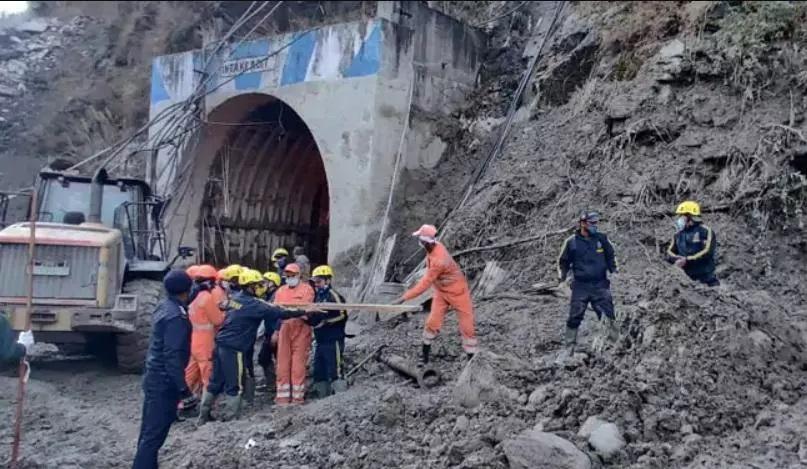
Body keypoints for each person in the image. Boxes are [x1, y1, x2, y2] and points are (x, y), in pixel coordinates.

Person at [198, 269, 316, 423]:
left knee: (215, 381)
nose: (261, 287)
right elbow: (280, 312)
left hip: (221, 343)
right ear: (250, 287)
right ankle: (231, 417)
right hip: (235, 347)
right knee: (235, 384)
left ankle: (203, 415)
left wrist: (223, 304)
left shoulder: (237, 299)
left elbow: (226, 305)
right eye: (258, 285)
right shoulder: (255, 305)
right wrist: (304, 311)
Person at [132, 270, 194, 469]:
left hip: (154, 377)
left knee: (149, 432)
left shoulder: (164, 307)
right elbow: (172, 355)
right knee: (154, 436)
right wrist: (183, 389)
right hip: (164, 382)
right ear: (186, 290)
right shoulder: (176, 316)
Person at [393, 224, 478, 365]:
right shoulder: (433, 247)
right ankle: (425, 357)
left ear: (425, 242)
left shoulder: (439, 260)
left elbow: (424, 284)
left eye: (420, 239)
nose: (419, 242)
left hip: (458, 291)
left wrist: (403, 298)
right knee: (433, 321)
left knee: (466, 324)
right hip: (441, 290)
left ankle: (471, 360)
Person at [557, 211, 618, 351]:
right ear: (583, 224)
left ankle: (614, 345)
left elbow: (611, 256)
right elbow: (563, 262)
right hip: (580, 286)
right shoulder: (572, 242)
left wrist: (615, 272)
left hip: (600, 284)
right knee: (575, 315)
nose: (595, 226)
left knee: (608, 314)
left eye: (596, 223)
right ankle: (569, 346)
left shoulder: (602, 239)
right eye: (592, 223)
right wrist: (562, 280)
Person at [273, 263, 316, 405]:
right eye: (288, 275)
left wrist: (292, 311)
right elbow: (277, 311)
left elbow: (305, 309)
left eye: (292, 275)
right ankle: (282, 397)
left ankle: (297, 398)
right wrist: (276, 330)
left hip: (301, 327)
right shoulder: (281, 291)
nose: (290, 277)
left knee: (298, 364)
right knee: (282, 364)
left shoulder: (307, 289)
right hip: (285, 327)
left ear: (298, 275)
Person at [184, 265, 226, 398]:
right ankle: (206, 405)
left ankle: (180, 402)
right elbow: (218, 320)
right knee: (208, 375)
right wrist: (226, 314)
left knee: (190, 373)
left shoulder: (192, 297)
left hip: (193, 341)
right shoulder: (207, 297)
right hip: (205, 343)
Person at [308, 265, 348, 397]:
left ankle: (340, 396)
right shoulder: (317, 296)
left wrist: (325, 322)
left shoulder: (334, 296)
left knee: (334, 368)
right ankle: (322, 396)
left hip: (333, 338)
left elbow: (342, 315)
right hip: (321, 340)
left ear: (328, 280)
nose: (316, 284)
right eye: (314, 282)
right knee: (319, 369)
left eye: (319, 281)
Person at [666, 200, 719, 286]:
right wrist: (676, 258)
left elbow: (707, 252)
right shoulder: (678, 234)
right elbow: (669, 252)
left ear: (690, 216)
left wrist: (687, 260)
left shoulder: (705, 231)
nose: (679, 219)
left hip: (706, 280)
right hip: (686, 281)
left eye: (682, 215)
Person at [257, 271, 282, 391]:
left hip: (276, 333)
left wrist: (276, 332)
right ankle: (272, 383)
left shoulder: (277, 296)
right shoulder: (268, 296)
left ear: (272, 283)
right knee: (263, 358)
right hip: (269, 332)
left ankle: (281, 384)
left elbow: (281, 315)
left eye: (265, 282)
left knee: (280, 360)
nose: (262, 285)